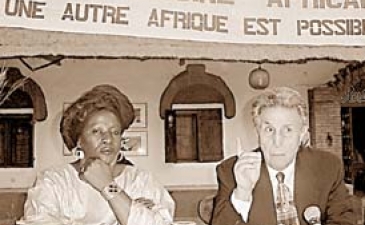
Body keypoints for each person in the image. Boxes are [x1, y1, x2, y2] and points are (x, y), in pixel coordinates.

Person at [19, 84, 175, 225]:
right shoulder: (54, 181)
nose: (107, 139)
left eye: (115, 132)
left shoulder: (141, 181)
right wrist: (130, 211)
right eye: (96, 131)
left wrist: (108, 186)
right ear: (79, 140)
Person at [211, 87, 356, 225]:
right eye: (269, 129)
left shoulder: (327, 166)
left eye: (287, 130)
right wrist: (242, 193)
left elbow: (343, 220)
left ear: (302, 132)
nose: (277, 142)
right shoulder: (232, 171)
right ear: (257, 131)